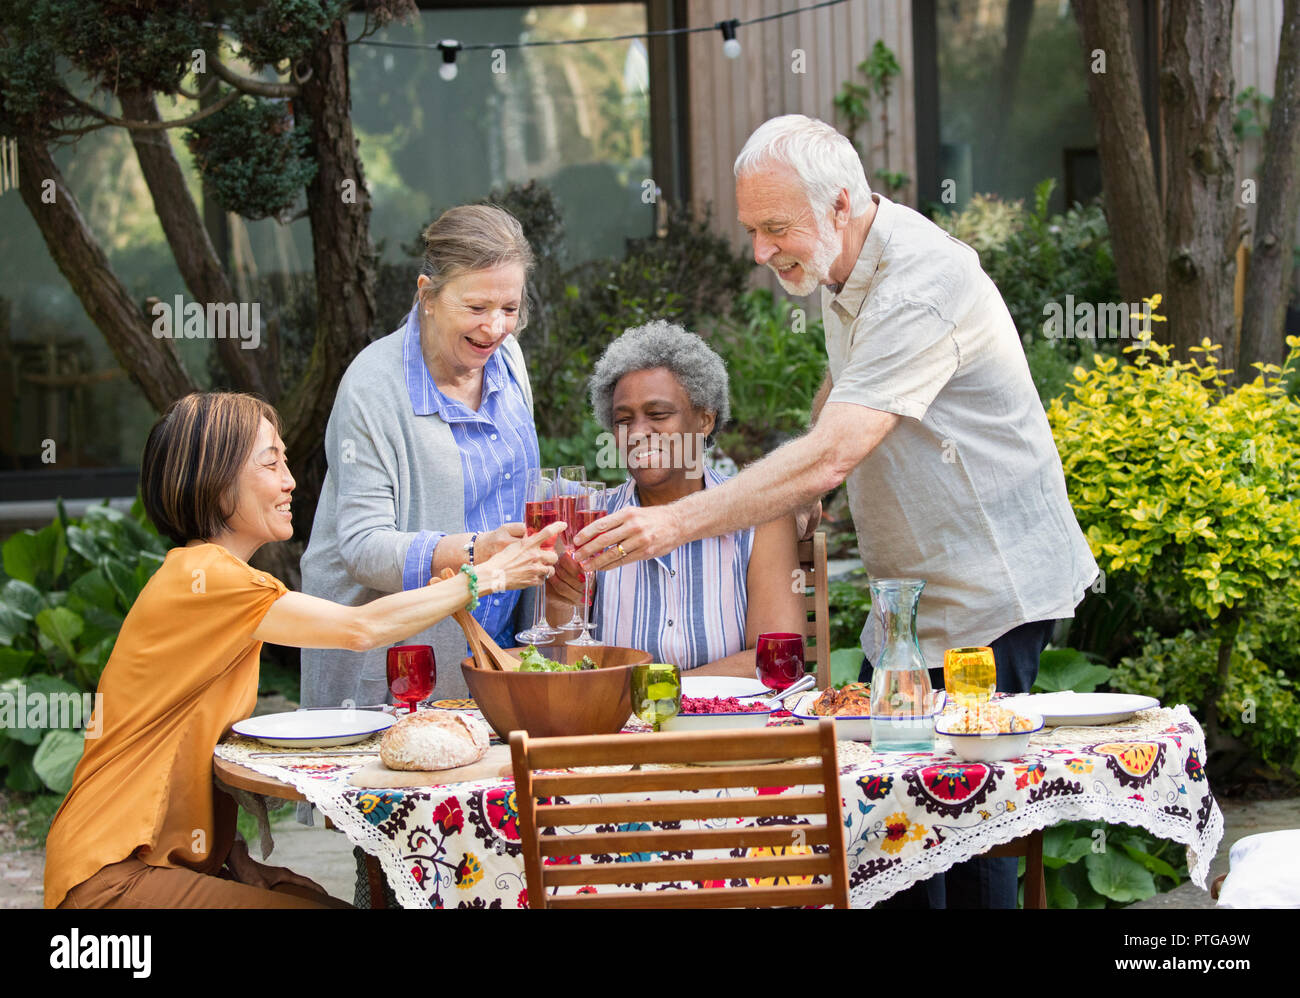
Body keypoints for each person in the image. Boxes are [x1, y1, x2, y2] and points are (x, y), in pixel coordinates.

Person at [571, 114, 1099, 908]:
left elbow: (836, 447)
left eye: (775, 228)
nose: (759, 251)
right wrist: (806, 491)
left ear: (842, 204)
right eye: (752, 229)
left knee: (973, 820)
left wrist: (677, 522)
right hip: (915, 589)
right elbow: (843, 394)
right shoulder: (838, 265)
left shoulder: (921, 285)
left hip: (992, 587)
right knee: (912, 817)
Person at [44, 392, 561, 909]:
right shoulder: (206, 578)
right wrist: (487, 576)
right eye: (271, 462)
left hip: (148, 864)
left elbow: (178, 741)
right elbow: (361, 628)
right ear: (214, 479)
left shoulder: (216, 580)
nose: (290, 480)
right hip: (111, 878)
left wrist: (232, 854)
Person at [301, 204, 561, 709]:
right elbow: (361, 547)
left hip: (495, 652)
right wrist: (474, 553)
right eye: (477, 307)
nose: (496, 327)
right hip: (395, 668)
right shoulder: (373, 386)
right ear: (428, 295)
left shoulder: (507, 359)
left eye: (511, 308)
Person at [549, 320, 804, 675]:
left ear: (704, 421)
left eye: (658, 414)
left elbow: (777, 660)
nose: (638, 433)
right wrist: (562, 604)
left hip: (729, 726)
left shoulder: (761, 518)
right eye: (623, 420)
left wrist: (659, 693)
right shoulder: (591, 521)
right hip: (616, 726)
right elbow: (565, 673)